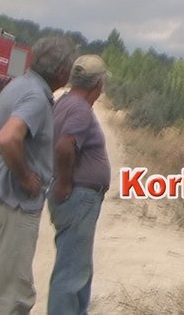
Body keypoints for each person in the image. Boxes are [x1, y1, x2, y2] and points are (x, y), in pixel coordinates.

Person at [0, 36, 75, 315]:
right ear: (62, 72)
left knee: (5, 288)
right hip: (13, 203)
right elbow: (9, 138)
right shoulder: (35, 96)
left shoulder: (20, 84)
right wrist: (24, 176)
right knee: (14, 297)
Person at [47, 54, 112, 315]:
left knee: (77, 268)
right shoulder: (79, 109)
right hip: (79, 197)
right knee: (72, 273)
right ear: (97, 84)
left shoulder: (64, 103)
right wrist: (64, 183)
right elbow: (65, 146)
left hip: (76, 197)